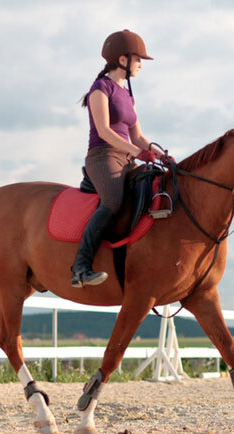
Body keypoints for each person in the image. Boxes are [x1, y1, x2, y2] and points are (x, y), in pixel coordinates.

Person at [71, 29, 166, 287]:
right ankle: (80, 266)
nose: (140, 65)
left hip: (126, 157)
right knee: (113, 202)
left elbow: (138, 136)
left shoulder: (128, 95)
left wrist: (160, 155)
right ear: (122, 60)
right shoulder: (100, 89)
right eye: (138, 59)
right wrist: (138, 153)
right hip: (103, 156)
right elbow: (104, 130)